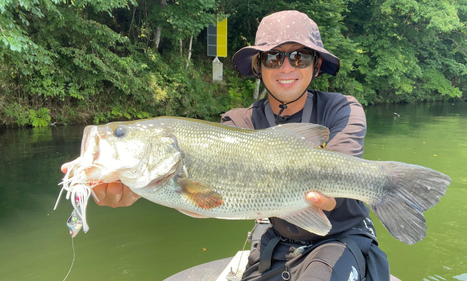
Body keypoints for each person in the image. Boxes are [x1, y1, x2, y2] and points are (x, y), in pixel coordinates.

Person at [62, 10, 390, 280]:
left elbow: (338, 170)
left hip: (340, 236)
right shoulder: (237, 122)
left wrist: (336, 197)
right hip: (276, 243)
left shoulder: (342, 108)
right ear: (259, 66)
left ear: (316, 65)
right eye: (274, 57)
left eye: (299, 57)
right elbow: (209, 203)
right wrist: (138, 189)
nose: (287, 66)